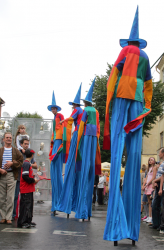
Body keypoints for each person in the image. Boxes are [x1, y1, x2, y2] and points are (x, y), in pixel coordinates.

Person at [103, 6, 153, 242]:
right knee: (134, 156)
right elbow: (149, 84)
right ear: (139, 41)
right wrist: (147, 107)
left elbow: (114, 75)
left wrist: (110, 99)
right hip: (138, 101)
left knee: (117, 155)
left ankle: (117, 225)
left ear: (128, 40)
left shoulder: (124, 51)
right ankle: (131, 228)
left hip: (123, 96)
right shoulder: (145, 56)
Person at [75, 78, 101, 220]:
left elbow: (81, 125)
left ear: (85, 102)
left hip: (86, 136)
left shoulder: (85, 111)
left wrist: (78, 140)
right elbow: (98, 127)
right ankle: (87, 211)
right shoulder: (96, 111)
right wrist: (96, 139)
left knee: (85, 166)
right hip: (94, 138)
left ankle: (82, 210)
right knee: (90, 166)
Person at [57, 83, 83, 214]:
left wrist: (63, 121)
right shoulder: (81, 111)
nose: (72, 106)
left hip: (77, 133)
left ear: (75, 104)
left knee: (72, 159)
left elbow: (72, 119)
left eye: (73, 104)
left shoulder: (77, 110)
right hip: (79, 132)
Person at [0, 132, 23, 224]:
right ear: (4, 139)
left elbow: (21, 162)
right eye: (7, 137)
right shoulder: (0, 150)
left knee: (10, 197)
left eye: (10, 137)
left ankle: (9, 217)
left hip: (11, 175)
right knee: (1, 197)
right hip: (1, 175)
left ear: (11, 139)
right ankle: (3, 216)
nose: (8, 139)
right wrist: (0, 170)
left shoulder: (16, 151)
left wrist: (12, 163)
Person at [13, 136, 37, 219]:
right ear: (21, 144)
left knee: (26, 200)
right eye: (25, 144)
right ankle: (14, 215)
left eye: (28, 144)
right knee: (15, 197)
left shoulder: (29, 154)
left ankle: (25, 218)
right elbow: (14, 163)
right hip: (17, 177)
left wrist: (27, 164)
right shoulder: (16, 152)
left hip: (25, 180)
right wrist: (25, 164)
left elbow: (35, 165)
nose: (26, 145)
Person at [48, 91, 64, 213]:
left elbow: (62, 128)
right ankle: (56, 204)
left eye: (54, 108)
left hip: (59, 140)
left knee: (57, 168)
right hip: (55, 140)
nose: (53, 110)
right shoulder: (55, 118)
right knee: (54, 166)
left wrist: (61, 141)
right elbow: (55, 130)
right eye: (52, 109)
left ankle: (59, 202)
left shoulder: (60, 116)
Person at [17, 148, 39, 228]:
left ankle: (28, 221)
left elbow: (25, 175)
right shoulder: (27, 164)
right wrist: (33, 180)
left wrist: (32, 177)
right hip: (26, 188)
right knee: (25, 206)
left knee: (28, 205)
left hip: (28, 189)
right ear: (32, 155)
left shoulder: (27, 163)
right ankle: (23, 222)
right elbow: (25, 176)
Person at [149, 148, 164, 230]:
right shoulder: (162, 163)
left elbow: (163, 176)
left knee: (161, 205)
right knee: (155, 205)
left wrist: (155, 180)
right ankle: (156, 223)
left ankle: (161, 224)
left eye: (159, 153)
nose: (158, 154)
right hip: (158, 185)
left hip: (163, 186)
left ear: (163, 153)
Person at [143, 157, 157, 223]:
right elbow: (147, 177)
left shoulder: (154, 168)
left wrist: (147, 184)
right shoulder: (149, 169)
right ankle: (149, 216)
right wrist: (144, 184)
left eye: (151, 160)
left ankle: (151, 216)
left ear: (154, 161)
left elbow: (153, 177)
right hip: (147, 186)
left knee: (151, 201)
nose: (150, 161)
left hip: (151, 185)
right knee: (148, 201)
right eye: (149, 160)